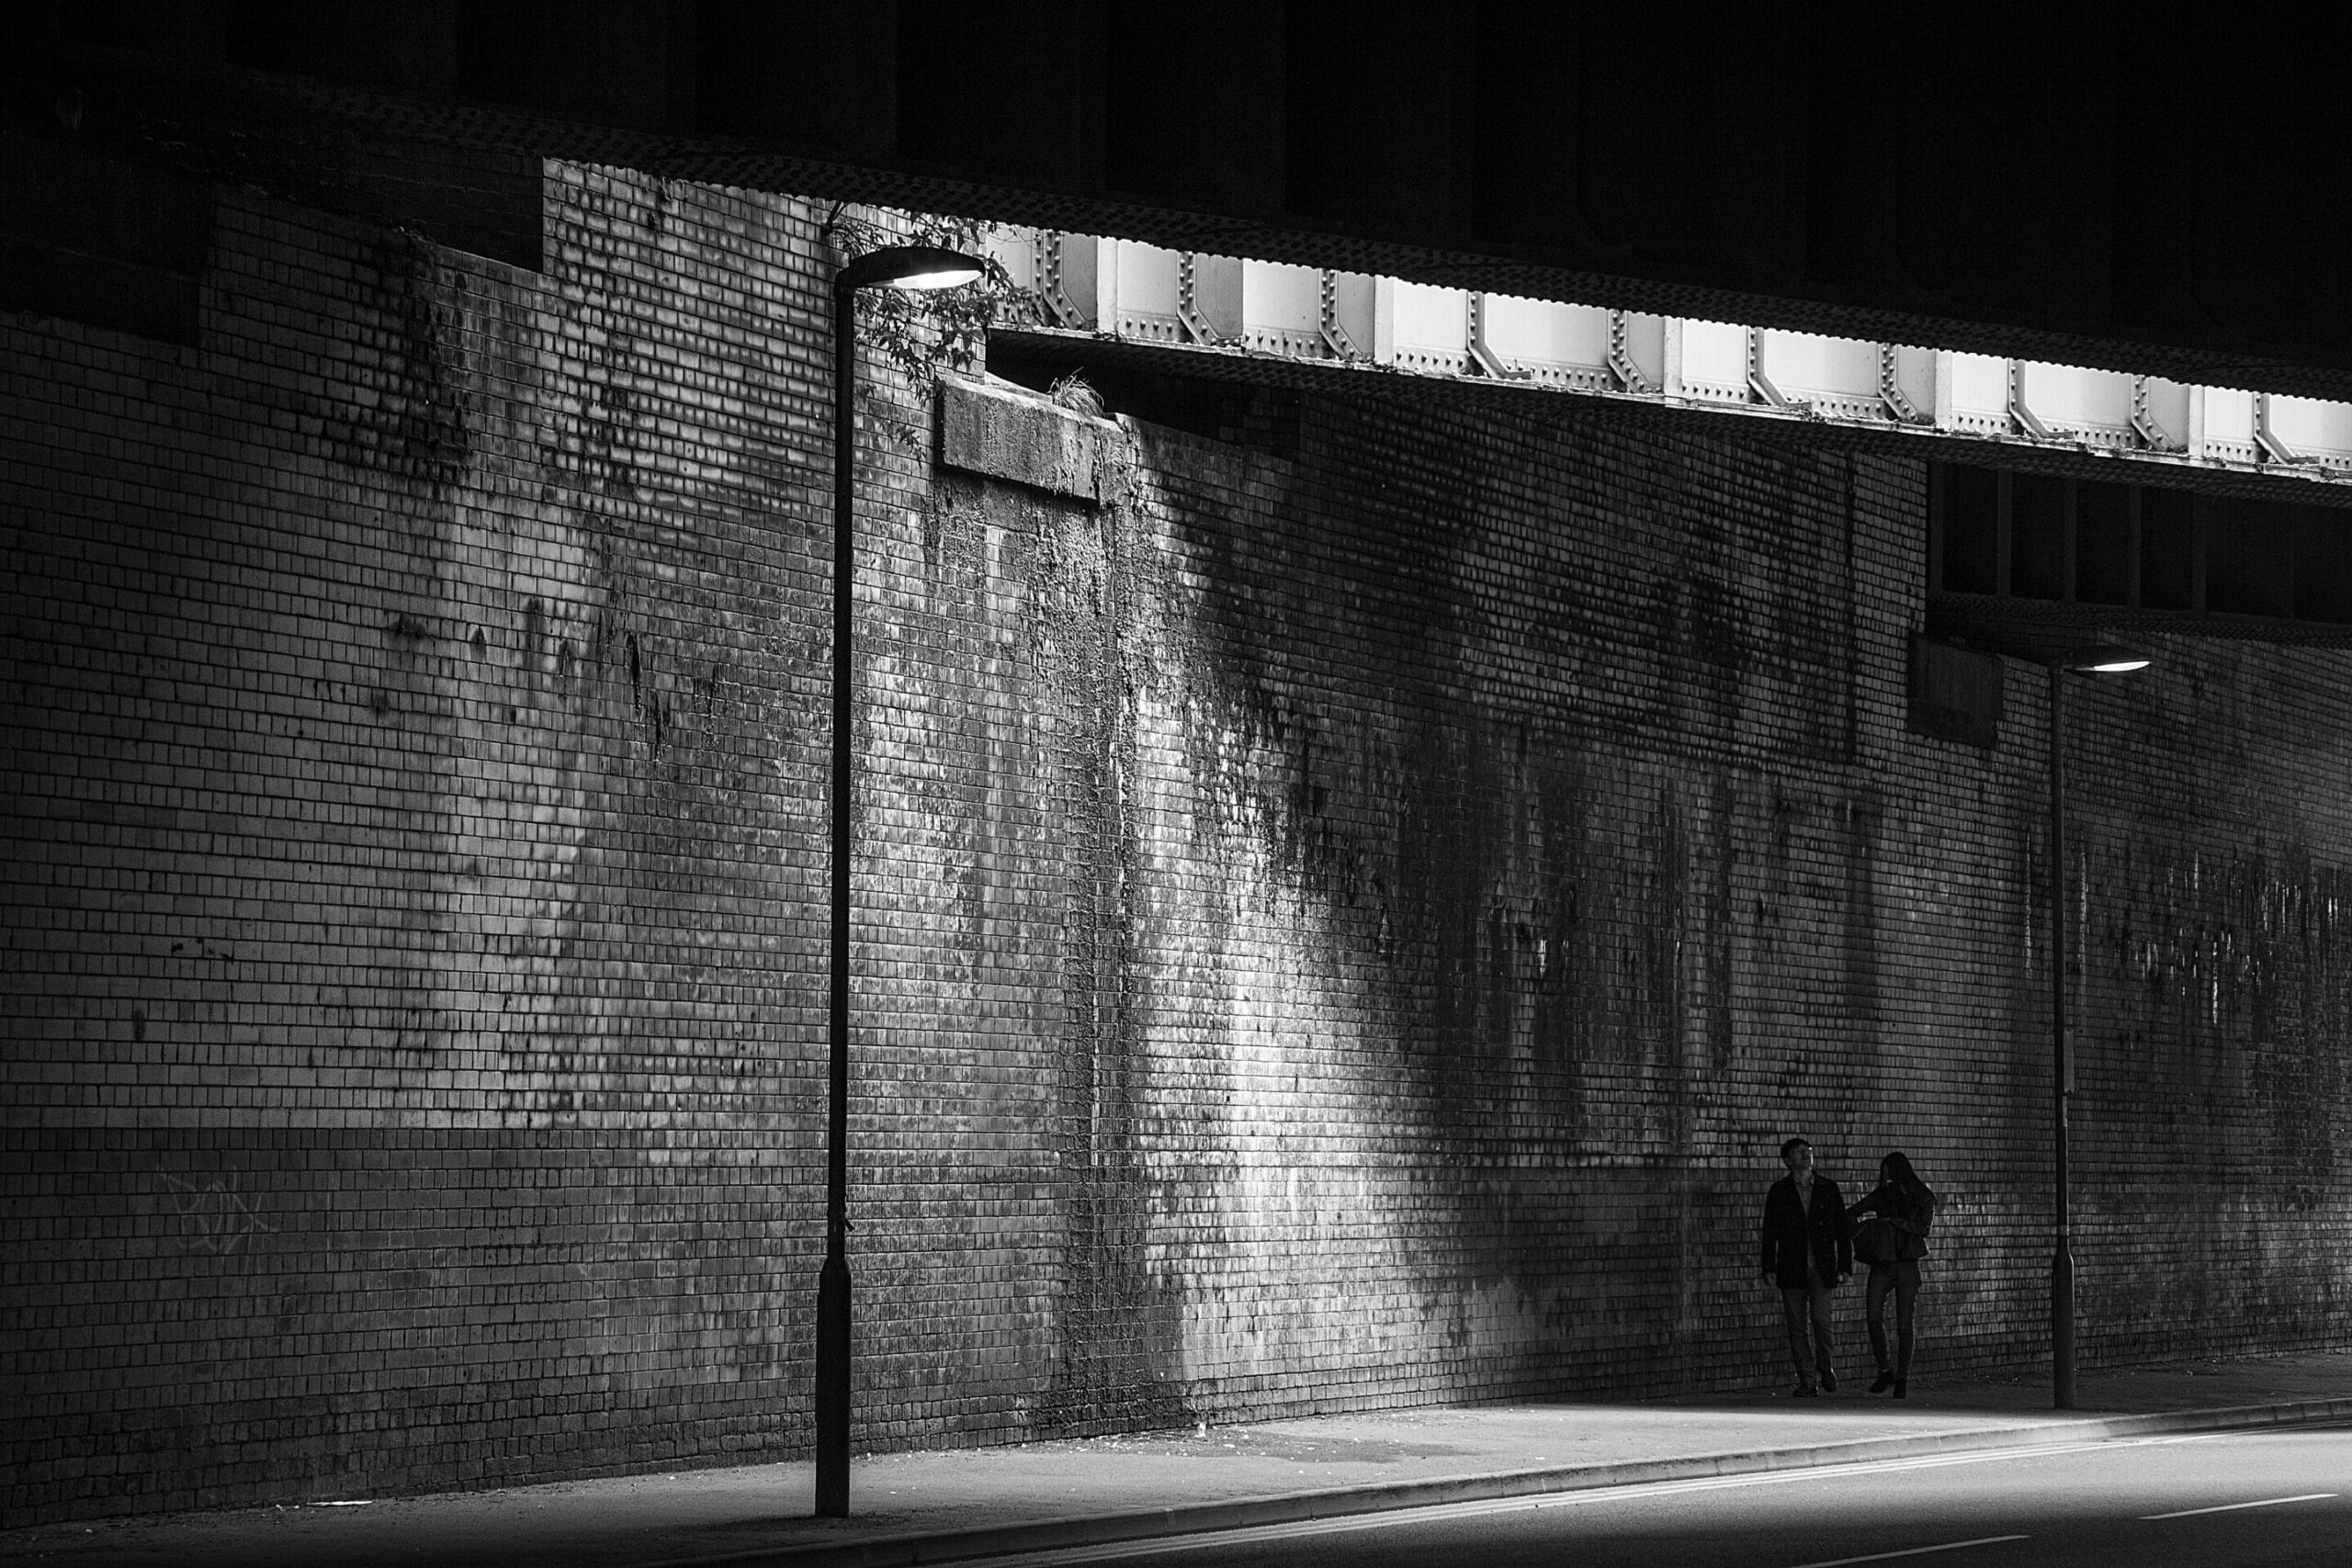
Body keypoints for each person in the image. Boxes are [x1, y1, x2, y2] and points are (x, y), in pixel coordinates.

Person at [1758, 1136, 1850, 1396]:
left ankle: (1826, 1366)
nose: (1806, 1154)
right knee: (1797, 1327)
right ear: (1788, 1161)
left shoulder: (1828, 1188)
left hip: (1822, 1266)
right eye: (1799, 1152)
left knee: (1822, 1323)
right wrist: (1769, 1266)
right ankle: (1807, 1379)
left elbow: (1841, 1231)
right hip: (1792, 1266)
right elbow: (1770, 1232)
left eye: (1808, 1150)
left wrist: (1844, 1265)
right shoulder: (1780, 1191)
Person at [1845, 1150, 1937, 1397]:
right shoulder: (1884, 1195)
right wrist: (1868, 1229)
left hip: (1906, 1262)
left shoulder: (1921, 1197)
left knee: (1904, 1324)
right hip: (1884, 1261)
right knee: (1874, 1316)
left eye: (1889, 1174)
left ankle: (1901, 1379)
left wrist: (1892, 1222)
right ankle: (1886, 1370)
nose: (1886, 1179)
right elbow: (1851, 1212)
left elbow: (1923, 1228)